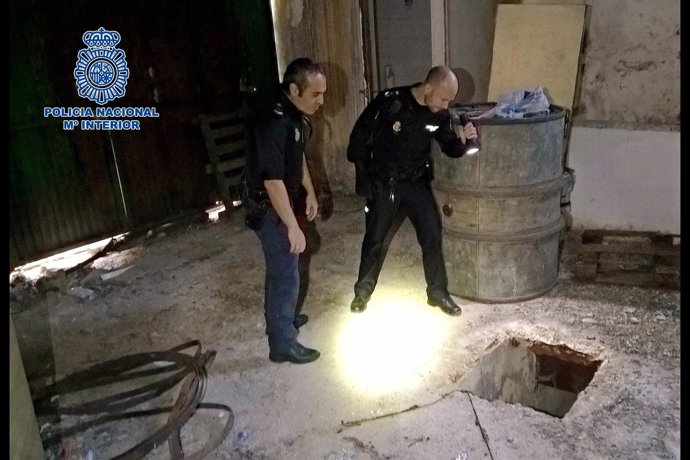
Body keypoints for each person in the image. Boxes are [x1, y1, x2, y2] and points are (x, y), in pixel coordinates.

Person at [346, 65, 477, 316]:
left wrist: (463, 140)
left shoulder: (439, 114)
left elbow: (449, 146)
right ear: (428, 88)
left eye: (450, 100)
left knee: (431, 234)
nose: (446, 105)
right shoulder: (391, 102)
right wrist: (365, 178)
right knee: (375, 238)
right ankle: (362, 292)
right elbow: (359, 138)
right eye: (443, 98)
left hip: (416, 183)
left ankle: (437, 292)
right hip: (386, 183)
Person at [243, 58, 327, 364]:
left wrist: (308, 190)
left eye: (323, 93)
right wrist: (292, 225)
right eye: (316, 94)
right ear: (294, 88)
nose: (321, 100)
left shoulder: (294, 112)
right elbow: (272, 180)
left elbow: (296, 155)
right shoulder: (272, 119)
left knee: (284, 268)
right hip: (267, 204)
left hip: (283, 197)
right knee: (285, 272)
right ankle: (282, 343)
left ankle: (283, 318)